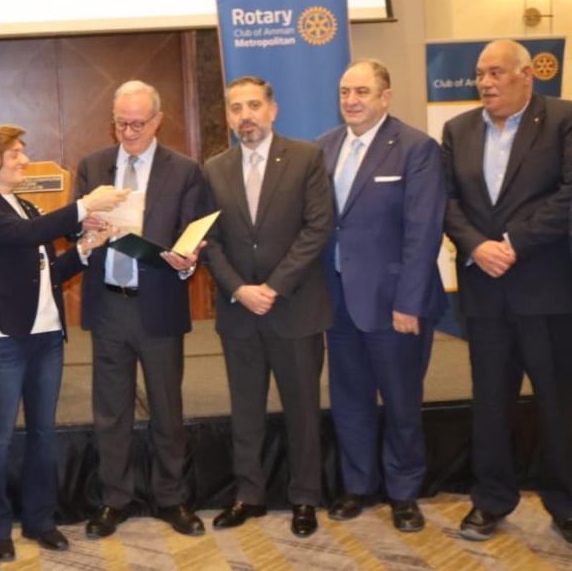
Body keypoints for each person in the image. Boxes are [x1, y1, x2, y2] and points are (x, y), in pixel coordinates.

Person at [0, 124, 125, 561]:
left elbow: (50, 272)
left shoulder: (27, 206)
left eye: (22, 152)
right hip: (1, 339)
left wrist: (86, 248)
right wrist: (85, 205)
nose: (24, 160)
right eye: (15, 152)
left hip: (46, 336)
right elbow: (23, 237)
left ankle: (40, 520)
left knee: (43, 433)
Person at [441, 39, 572, 544]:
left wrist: (514, 243)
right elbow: (446, 202)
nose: (485, 83)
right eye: (480, 74)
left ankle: (565, 504)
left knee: (558, 404)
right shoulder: (458, 129)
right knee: (491, 403)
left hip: (545, 291)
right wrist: (477, 246)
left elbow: (568, 195)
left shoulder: (561, 120)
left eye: (496, 72)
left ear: (526, 75)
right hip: (484, 292)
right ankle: (491, 499)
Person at [73, 80, 209, 538]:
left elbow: (193, 233)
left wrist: (189, 260)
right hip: (109, 303)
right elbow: (76, 232)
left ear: (157, 121)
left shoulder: (184, 170)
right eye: (121, 123)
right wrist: (87, 231)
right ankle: (114, 500)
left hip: (160, 304)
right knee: (111, 411)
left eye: (137, 124)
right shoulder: (93, 165)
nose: (128, 132)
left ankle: (172, 498)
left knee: (167, 408)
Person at [316, 60, 446, 532]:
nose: (351, 100)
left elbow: (424, 231)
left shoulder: (416, 148)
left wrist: (409, 302)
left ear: (385, 97)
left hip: (396, 304)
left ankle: (404, 492)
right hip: (338, 299)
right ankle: (358, 485)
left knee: (401, 401)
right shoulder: (324, 147)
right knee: (349, 398)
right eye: (345, 91)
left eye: (362, 92)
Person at [201, 76, 333, 538]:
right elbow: (210, 240)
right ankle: (249, 495)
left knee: (302, 410)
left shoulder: (306, 157)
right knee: (245, 410)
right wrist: (240, 290)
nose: (245, 116)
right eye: (236, 108)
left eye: (254, 105)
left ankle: (305, 497)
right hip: (240, 312)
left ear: (272, 110)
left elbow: (317, 228)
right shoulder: (214, 168)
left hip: (294, 308)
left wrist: (273, 287)